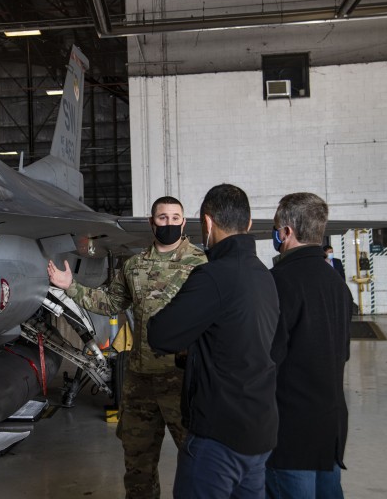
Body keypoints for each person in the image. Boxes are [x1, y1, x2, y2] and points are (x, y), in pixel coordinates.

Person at [47, 196, 207, 499]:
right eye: (163, 218)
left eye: (175, 218)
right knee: (137, 463)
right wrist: (71, 286)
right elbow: (110, 302)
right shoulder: (134, 266)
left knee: (198, 460)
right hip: (141, 381)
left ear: (184, 223)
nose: (169, 223)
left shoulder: (199, 265)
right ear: (152, 222)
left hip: (183, 381)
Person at [147, 183, 280, 499]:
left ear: (206, 222)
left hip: (220, 436)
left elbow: (161, 334)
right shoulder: (264, 275)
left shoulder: (214, 276)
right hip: (259, 431)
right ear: (247, 224)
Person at [267, 193, 353, 498]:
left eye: (276, 228)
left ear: (287, 232)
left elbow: (268, 360)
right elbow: (342, 353)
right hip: (329, 424)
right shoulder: (338, 286)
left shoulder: (277, 282)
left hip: (290, 431)